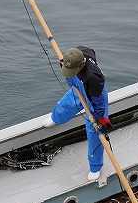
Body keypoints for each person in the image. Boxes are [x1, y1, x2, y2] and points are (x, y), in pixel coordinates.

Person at [43, 46, 112, 182]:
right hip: (79, 85)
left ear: (82, 64)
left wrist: (100, 118)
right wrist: (66, 65)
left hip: (94, 95)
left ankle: (95, 167)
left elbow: (98, 103)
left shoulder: (94, 78)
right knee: (66, 104)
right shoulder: (79, 53)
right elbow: (91, 51)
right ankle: (56, 118)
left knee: (94, 131)